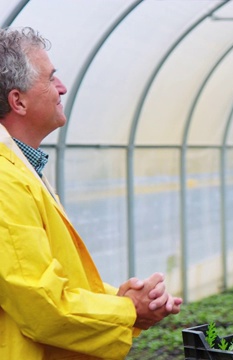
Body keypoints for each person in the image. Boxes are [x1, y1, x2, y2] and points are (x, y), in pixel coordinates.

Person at [0, 27, 183, 359]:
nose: (62, 87)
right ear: (18, 101)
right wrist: (129, 310)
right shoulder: (2, 181)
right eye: (50, 78)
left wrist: (124, 303)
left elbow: (58, 282)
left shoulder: (20, 167)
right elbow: (43, 304)